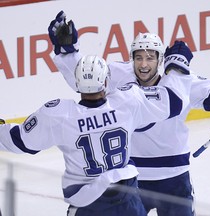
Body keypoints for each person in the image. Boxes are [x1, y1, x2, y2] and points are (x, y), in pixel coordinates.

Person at [48, 11, 210, 216]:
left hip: (174, 178)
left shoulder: (180, 82)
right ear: (131, 58)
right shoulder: (118, 75)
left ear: (160, 60)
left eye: (150, 58)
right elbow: (85, 77)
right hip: (132, 177)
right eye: (139, 57)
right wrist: (67, 51)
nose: (144, 64)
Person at [0, 54, 191, 216]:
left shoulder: (60, 115)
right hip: (127, 203)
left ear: (76, 82)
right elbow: (174, 102)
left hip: (87, 205)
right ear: (106, 81)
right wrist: (176, 66)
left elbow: (19, 141)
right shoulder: (127, 102)